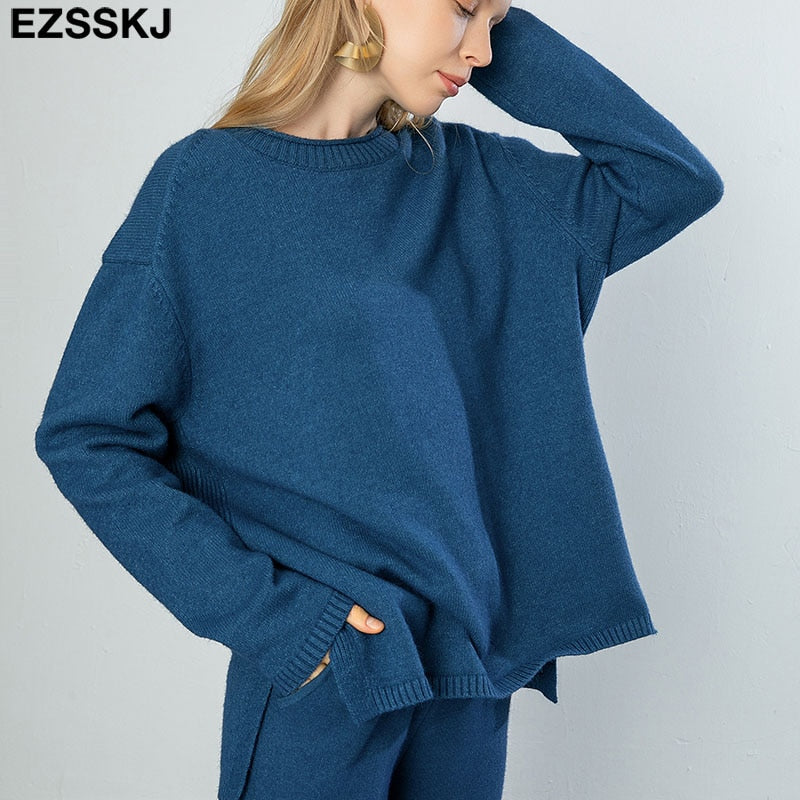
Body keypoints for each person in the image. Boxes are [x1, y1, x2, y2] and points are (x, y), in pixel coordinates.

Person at [34, 0, 725, 798]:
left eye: (495, 23)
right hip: (329, 672)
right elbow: (90, 435)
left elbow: (671, 181)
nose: (480, 50)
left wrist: (492, 28)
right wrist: (276, 619)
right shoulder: (206, 185)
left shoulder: (484, 184)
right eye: (463, 9)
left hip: (469, 670)